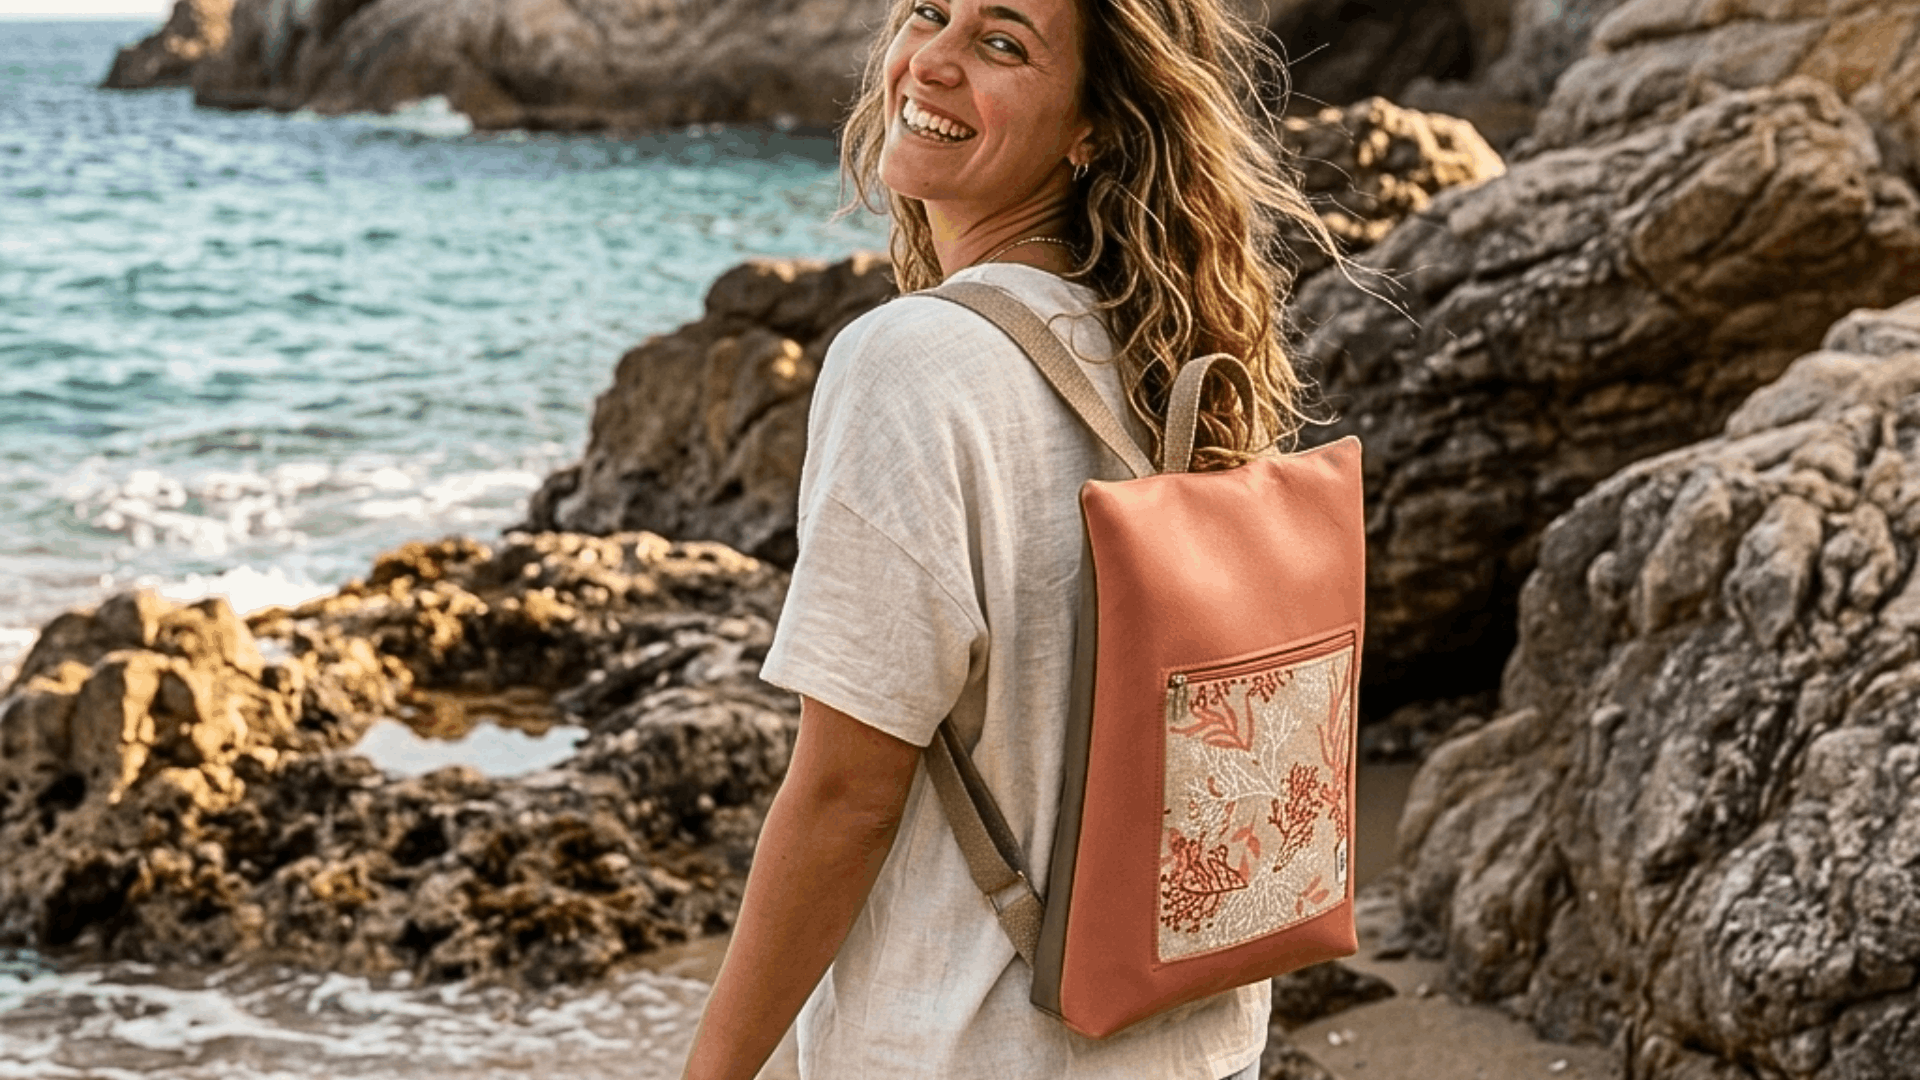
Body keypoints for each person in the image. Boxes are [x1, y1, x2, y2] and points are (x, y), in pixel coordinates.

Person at [680, 0, 1332, 1077]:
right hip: (1194, 1046)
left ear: (1095, 129)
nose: (930, 61)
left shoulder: (912, 364)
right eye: (930, 12)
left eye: (1001, 43)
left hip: (964, 1048)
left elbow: (846, 796)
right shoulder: (1178, 365)